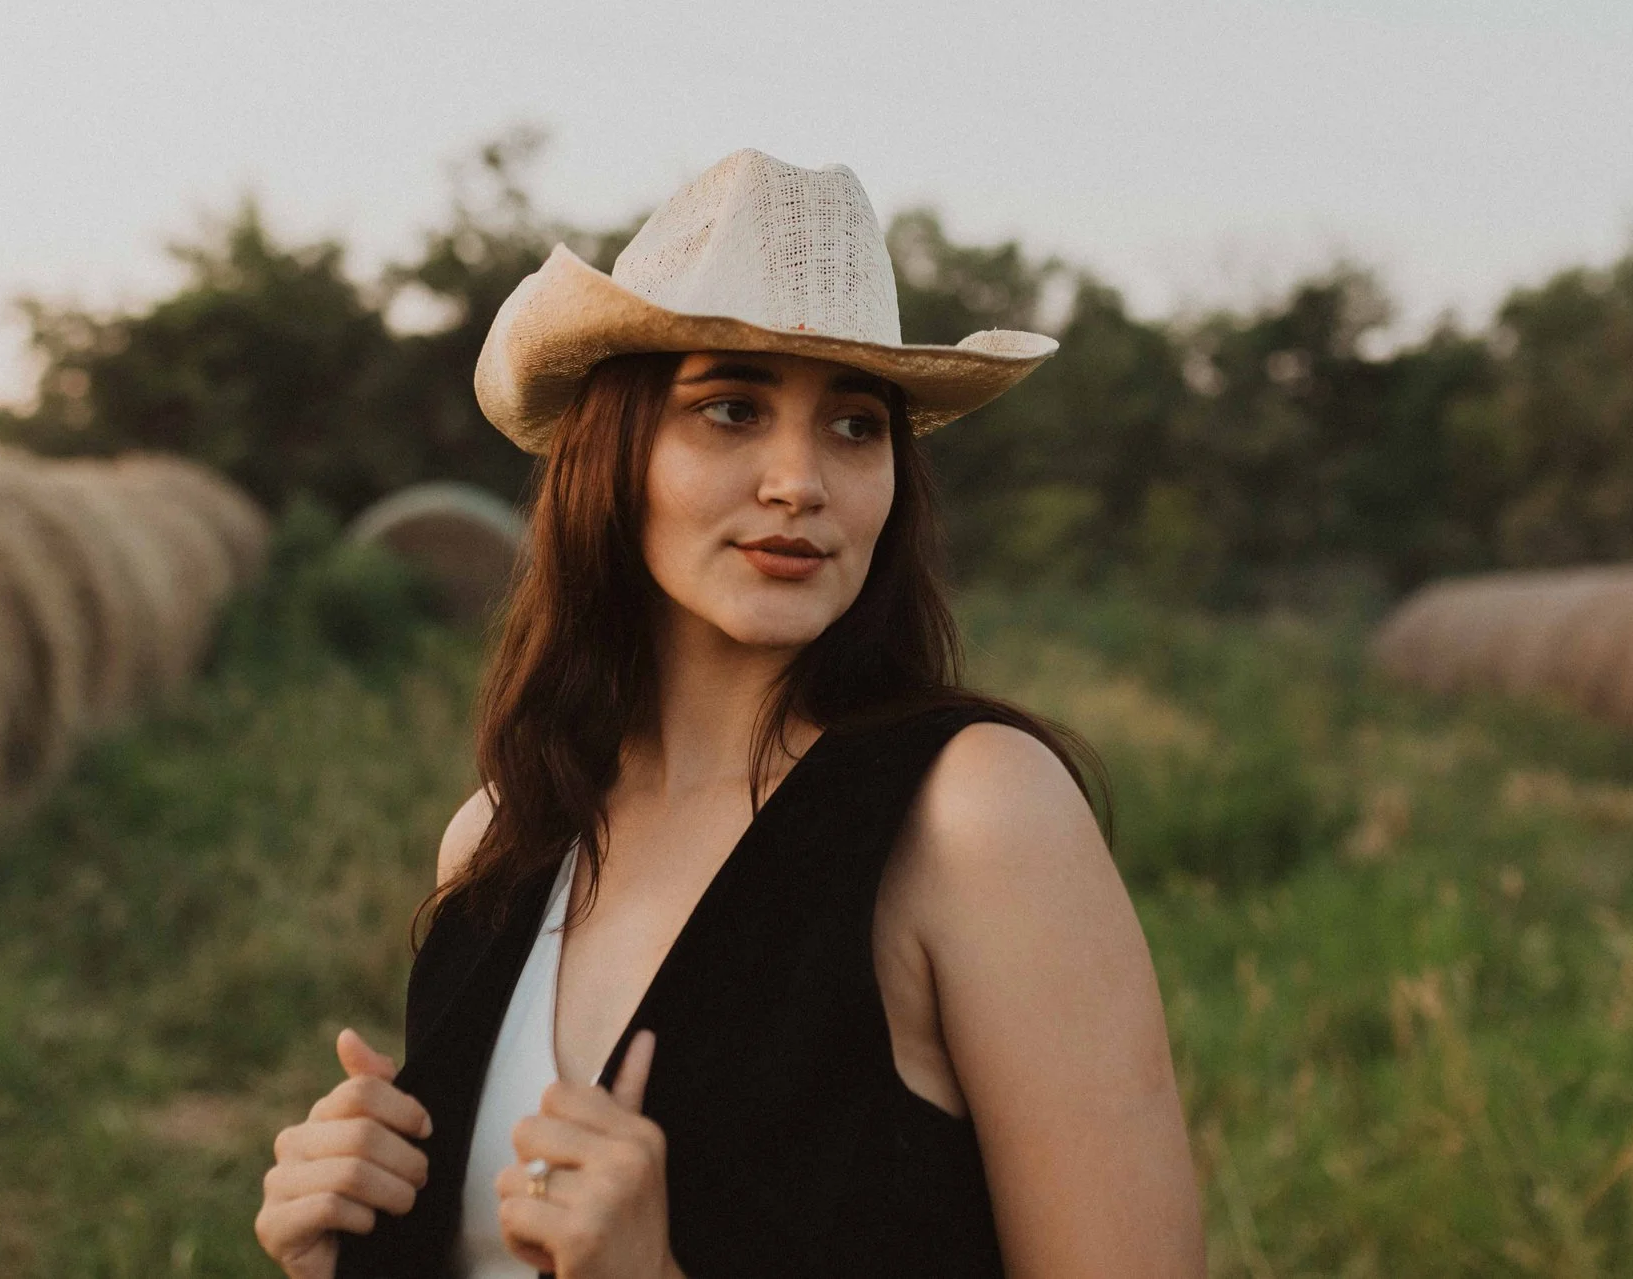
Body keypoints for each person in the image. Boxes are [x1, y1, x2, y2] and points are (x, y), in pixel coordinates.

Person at [256, 150, 1205, 1279]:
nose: (799, 478)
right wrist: (346, 1250)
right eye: (730, 407)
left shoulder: (972, 814)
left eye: (855, 425)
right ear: (615, 454)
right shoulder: (503, 837)